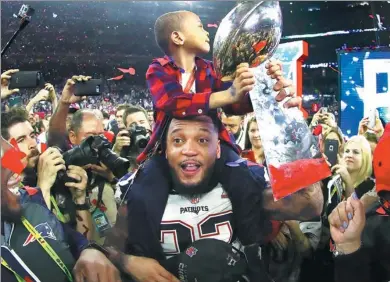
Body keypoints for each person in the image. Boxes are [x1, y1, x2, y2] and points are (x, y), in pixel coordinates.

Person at [126, 9, 301, 261]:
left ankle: (254, 240)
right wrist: (227, 95)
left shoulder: (211, 70)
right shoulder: (158, 69)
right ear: (177, 37)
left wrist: (256, 88)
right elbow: (174, 102)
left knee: (245, 176)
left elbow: (235, 106)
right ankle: (145, 257)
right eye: (198, 26)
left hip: (214, 146)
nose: (206, 31)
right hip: (168, 151)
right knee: (143, 190)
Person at [113, 115, 323, 282]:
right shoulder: (137, 190)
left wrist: (285, 115)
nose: (189, 150)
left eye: (202, 140)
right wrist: (126, 261)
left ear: (219, 148)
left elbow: (310, 205)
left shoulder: (245, 184)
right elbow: (109, 245)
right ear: (165, 150)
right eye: (178, 140)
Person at [1, 137, 121, 282]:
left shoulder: (24, 199)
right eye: (20, 139)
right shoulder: (27, 194)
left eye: (32, 135)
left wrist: (89, 250)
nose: (32, 144)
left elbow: (75, 240)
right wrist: (43, 186)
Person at [329, 123, 390, 282]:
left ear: (367, 158)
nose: (349, 155)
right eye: (347, 151)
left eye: (356, 152)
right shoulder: (334, 183)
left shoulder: (371, 191)